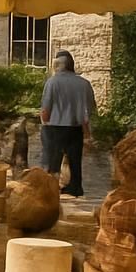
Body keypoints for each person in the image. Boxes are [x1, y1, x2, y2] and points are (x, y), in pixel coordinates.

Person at [41, 49, 96, 197]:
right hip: (75, 128)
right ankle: (75, 187)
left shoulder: (52, 82)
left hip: (55, 127)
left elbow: (46, 109)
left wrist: (45, 122)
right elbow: (90, 108)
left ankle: (51, 188)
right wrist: (86, 130)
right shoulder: (84, 84)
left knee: (54, 161)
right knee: (75, 160)